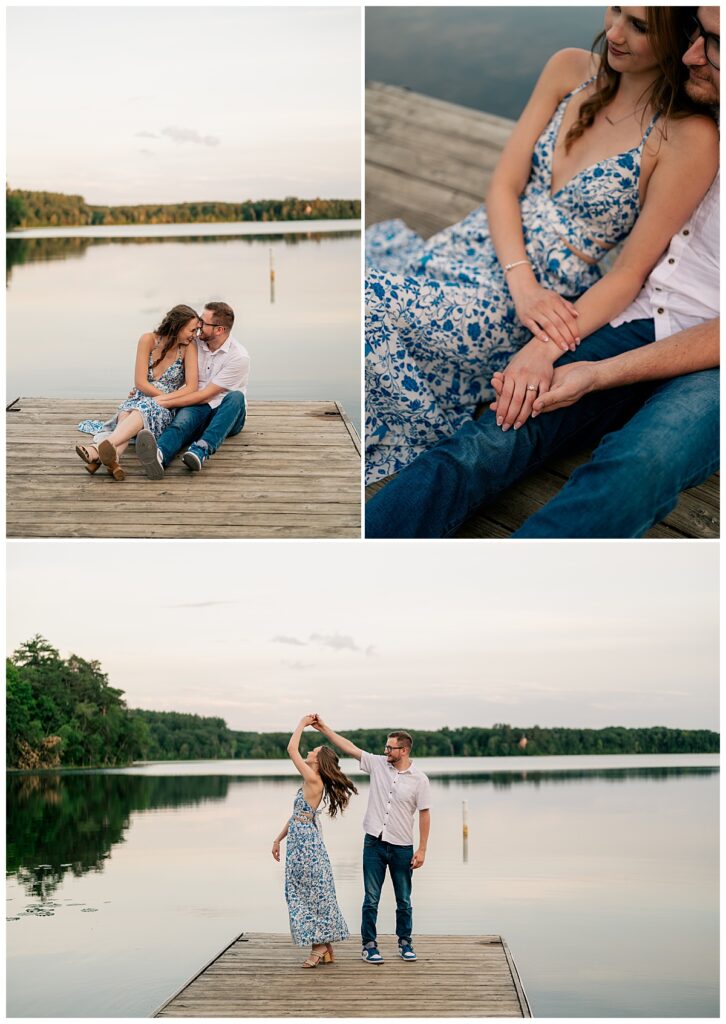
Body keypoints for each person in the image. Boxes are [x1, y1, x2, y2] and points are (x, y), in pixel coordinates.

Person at [365, 6, 720, 539]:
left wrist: (560, 345)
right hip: (519, 268)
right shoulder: (575, 69)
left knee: (637, 463)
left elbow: (627, 272)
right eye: (617, 10)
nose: (616, 33)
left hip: (585, 308)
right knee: (492, 435)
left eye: (642, 26)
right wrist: (526, 290)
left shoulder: (686, 136)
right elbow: (503, 186)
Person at [312, 717, 431, 964]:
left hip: (402, 847)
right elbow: (349, 747)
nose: (386, 751)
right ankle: (369, 946)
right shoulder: (377, 765)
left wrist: (421, 849)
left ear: (404, 750)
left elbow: (424, 814)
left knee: (404, 900)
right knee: (371, 899)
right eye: (386, 747)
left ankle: (405, 943)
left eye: (390, 747)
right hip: (374, 844)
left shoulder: (420, 780)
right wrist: (324, 729)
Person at [75, 304, 199, 480]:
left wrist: (163, 400)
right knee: (126, 413)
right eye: (192, 330)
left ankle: (97, 450)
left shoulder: (188, 347)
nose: (194, 335)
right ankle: (113, 459)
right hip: (141, 396)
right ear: (177, 326)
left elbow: (192, 387)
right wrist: (152, 398)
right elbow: (140, 382)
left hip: (166, 406)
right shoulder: (148, 340)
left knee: (140, 409)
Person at [272, 715, 357, 968]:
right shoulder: (310, 782)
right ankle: (326, 946)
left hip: (305, 848)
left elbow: (291, 749)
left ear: (318, 761)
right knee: (311, 893)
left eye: (314, 750)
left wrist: (301, 724)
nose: (309, 751)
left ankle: (318, 946)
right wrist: (278, 839)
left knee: (307, 895)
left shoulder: (313, 779)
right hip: (302, 843)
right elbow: (298, 816)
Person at [135, 300, 250, 479]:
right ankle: (159, 456)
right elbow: (166, 364)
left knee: (235, 397)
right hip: (198, 405)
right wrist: (148, 387)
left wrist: (164, 401)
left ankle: (201, 450)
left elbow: (206, 396)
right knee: (181, 423)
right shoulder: (193, 342)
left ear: (219, 329)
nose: (198, 325)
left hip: (228, 415)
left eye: (203, 323)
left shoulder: (239, 357)